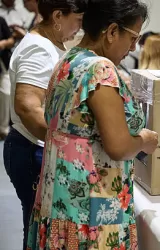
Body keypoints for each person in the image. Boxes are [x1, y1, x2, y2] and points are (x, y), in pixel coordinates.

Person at [26, 0, 158, 249]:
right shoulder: (101, 69)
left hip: (57, 195)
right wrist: (144, 141)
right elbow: (118, 146)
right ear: (111, 32)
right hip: (91, 202)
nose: (133, 48)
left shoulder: (68, 60)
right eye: (132, 38)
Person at [4, 0, 86, 249]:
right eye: (78, 19)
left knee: (41, 230)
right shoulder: (38, 48)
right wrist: (65, 147)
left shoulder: (46, 43)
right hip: (33, 149)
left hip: (37, 147)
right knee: (38, 231)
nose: (80, 26)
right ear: (58, 15)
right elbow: (28, 108)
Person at [0, 16, 15, 139]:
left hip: (2, 63)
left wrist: (3, 44)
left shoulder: (1, 20)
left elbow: (11, 40)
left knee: (6, 93)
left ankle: (3, 129)